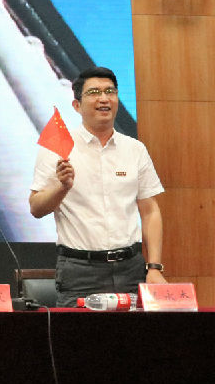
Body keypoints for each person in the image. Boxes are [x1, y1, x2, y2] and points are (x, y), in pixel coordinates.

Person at [29, 67, 165, 306]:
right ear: (77, 105)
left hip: (130, 268)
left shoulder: (134, 149)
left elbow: (150, 211)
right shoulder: (58, 148)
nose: (104, 98)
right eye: (94, 92)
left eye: (110, 92)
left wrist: (154, 266)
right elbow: (36, 208)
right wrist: (62, 188)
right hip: (79, 270)